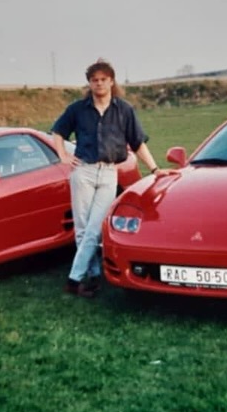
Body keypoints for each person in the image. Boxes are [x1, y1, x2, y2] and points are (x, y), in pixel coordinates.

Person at [51, 58, 172, 297]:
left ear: (111, 81)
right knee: (82, 229)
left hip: (108, 173)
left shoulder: (124, 110)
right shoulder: (78, 109)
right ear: (89, 83)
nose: (99, 83)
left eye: (103, 79)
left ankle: (74, 280)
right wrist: (63, 154)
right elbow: (58, 131)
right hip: (83, 171)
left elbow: (137, 142)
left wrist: (155, 169)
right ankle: (94, 276)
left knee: (95, 228)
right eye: (94, 80)